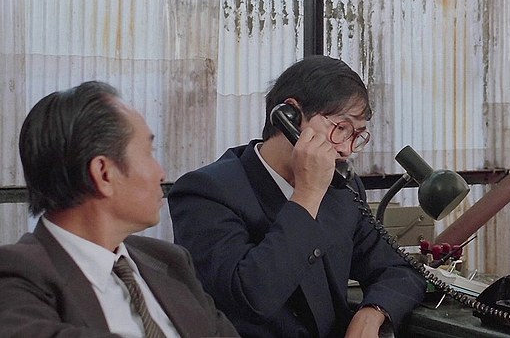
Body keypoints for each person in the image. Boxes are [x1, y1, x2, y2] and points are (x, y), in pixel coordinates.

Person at [168, 55, 426, 338]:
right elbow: (251, 296)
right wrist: (307, 195)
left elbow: (399, 269)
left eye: (357, 136)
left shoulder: (342, 191)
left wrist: (373, 311)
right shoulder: (206, 192)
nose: (346, 149)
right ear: (289, 115)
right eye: (341, 129)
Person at [0, 81, 239, 338]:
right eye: (148, 153)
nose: (161, 173)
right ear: (104, 173)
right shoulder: (17, 274)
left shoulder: (169, 260)